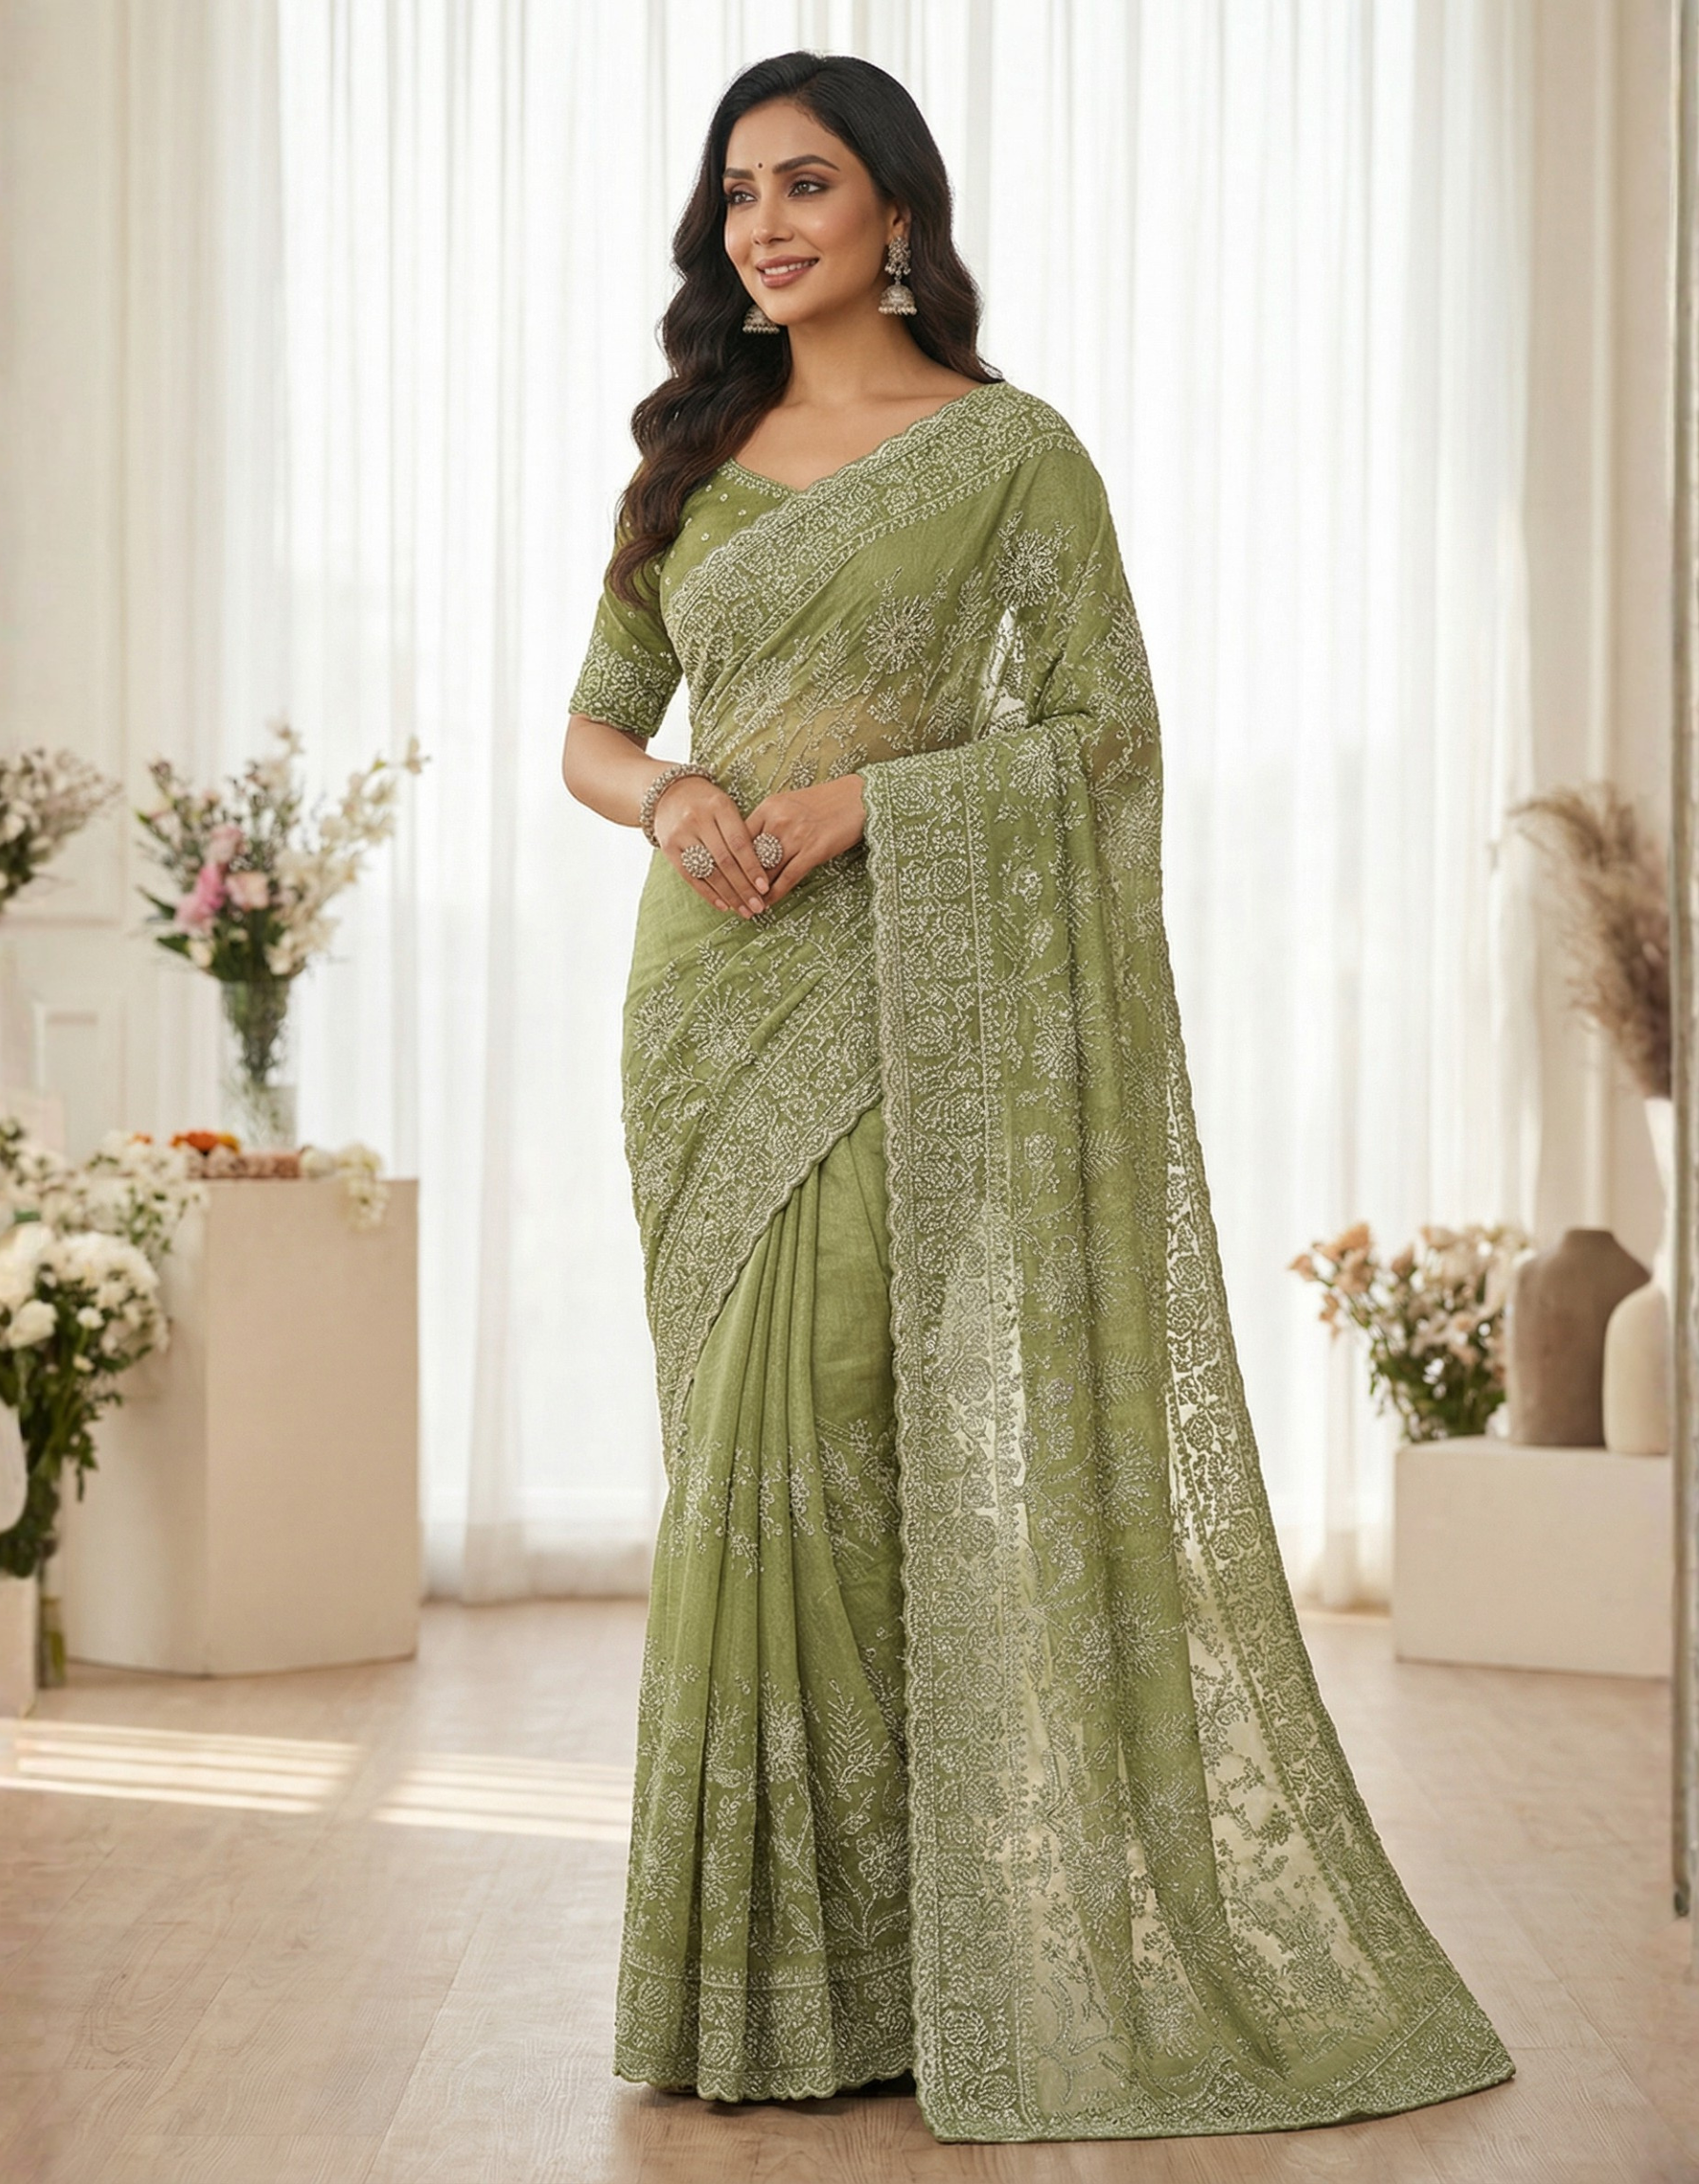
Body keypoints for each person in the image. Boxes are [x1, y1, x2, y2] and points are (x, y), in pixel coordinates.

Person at [560, 46, 1515, 2150]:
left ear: (897, 211)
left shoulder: (1009, 455)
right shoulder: (690, 455)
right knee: (733, 1460)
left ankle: (915, 1966)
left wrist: (865, 802)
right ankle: (760, 1981)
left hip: (902, 997)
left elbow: (1104, 735)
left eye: (807, 184)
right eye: (738, 194)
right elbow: (595, 730)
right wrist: (677, 794)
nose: (764, 225)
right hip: (704, 1005)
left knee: (844, 1441)